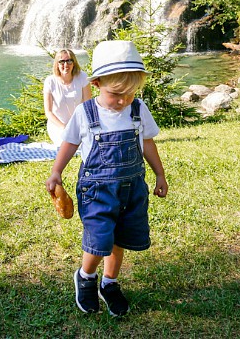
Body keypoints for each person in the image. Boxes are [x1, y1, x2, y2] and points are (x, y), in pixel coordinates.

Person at [45, 40, 168, 317]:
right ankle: (86, 276)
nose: (123, 101)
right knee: (99, 239)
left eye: (130, 93)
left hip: (132, 187)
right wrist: (56, 171)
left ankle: (109, 283)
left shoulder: (138, 109)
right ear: (97, 83)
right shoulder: (85, 113)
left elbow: (147, 142)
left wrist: (159, 174)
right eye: (116, 94)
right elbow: (70, 143)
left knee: (119, 238)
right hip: (97, 190)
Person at [43, 49, 91, 147]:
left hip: (79, 124)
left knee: (87, 142)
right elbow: (48, 112)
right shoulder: (50, 81)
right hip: (59, 126)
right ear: (57, 64)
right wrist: (64, 127)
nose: (66, 65)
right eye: (62, 62)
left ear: (74, 63)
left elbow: (88, 105)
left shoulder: (82, 77)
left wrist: (81, 125)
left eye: (69, 61)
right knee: (68, 144)